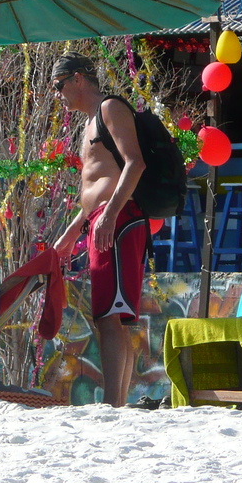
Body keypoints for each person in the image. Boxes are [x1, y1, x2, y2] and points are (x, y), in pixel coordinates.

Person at [51, 53, 147, 408]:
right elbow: (92, 186)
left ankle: (112, 403)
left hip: (117, 219)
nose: (57, 92)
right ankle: (116, 402)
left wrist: (110, 215)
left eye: (58, 84)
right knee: (110, 317)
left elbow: (135, 163)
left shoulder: (109, 109)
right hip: (102, 220)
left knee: (110, 315)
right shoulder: (88, 123)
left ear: (78, 79)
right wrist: (74, 230)